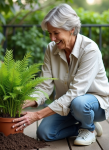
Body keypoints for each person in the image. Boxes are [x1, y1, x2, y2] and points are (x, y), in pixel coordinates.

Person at [12, 3, 109, 146]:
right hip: (67, 105)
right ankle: (84, 126)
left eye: (56, 33)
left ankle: (88, 128)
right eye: (49, 33)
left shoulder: (90, 50)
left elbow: (76, 93)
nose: (52, 38)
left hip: (95, 105)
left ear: (72, 29)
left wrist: (37, 115)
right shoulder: (51, 49)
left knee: (79, 102)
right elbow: (45, 85)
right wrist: (27, 102)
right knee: (44, 133)